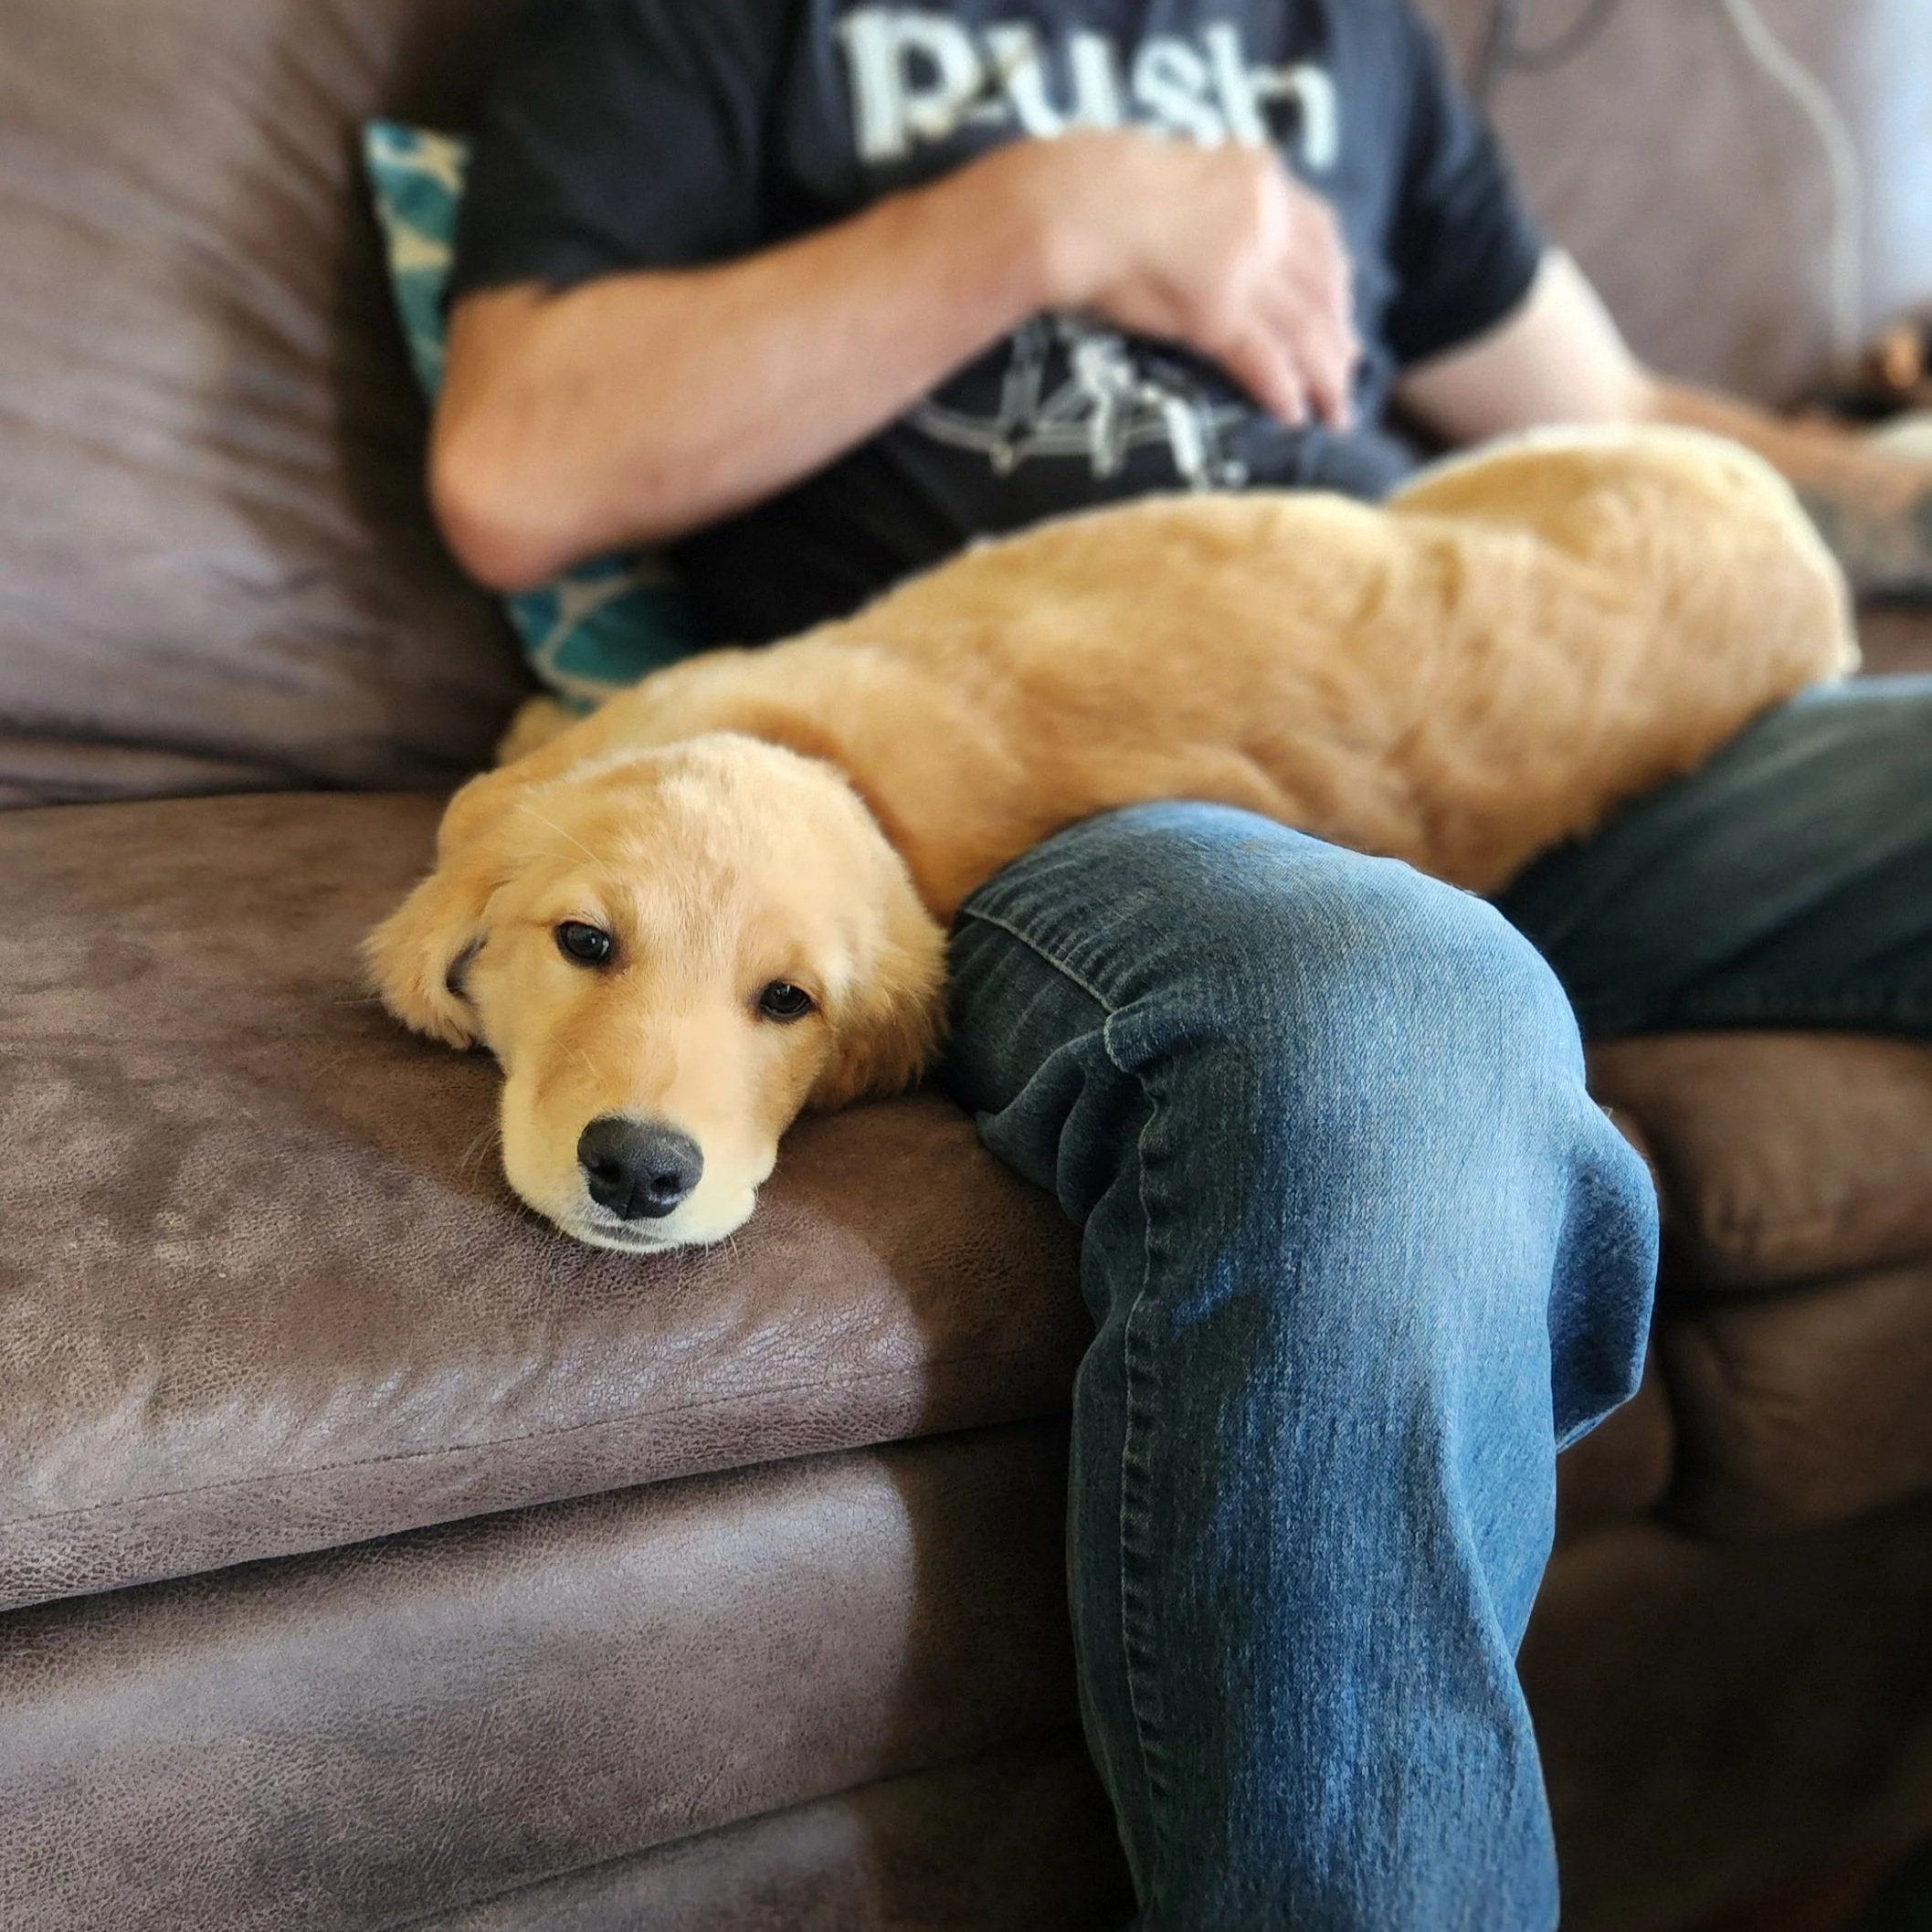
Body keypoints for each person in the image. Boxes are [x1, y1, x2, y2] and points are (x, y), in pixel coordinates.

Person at [433, 5, 1932, 1925]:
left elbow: (1610, 414)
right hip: (1021, 806)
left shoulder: (1347, 37)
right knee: (1390, 1017)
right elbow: (518, 464)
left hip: (1485, 724)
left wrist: (1889, 488)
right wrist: (1047, 218)